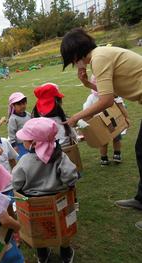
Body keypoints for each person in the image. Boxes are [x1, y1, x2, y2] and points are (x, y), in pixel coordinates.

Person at [60, 28, 142, 218]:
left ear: (76, 53)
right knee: (141, 149)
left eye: (71, 59)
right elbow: (112, 93)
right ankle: (141, 199)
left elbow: (106, 101)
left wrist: (76, 117)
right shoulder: (101, 55)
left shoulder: (99, 58)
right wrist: (88, 85)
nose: (73, 64)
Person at [12, 117, 78, 263]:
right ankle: (65, 253)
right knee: (64, 226)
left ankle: (42, 254)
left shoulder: (24, 161)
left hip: (34, 205)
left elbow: (16, 183)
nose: (23, 141)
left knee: (39, 229)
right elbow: (70, 176)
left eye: (25, 139)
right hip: (59, 201)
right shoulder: (60, 156)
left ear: (33, 143)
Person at [82, 75, 129, 165]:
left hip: (113, 121)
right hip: (100, 123)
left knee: (116, 138)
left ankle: (116, 154)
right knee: (104, 141)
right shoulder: (92, 97)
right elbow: (86, 111)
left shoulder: (113, 95)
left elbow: (121, 106)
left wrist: (126, 117)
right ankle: (104, 157)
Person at [32, 83, 77, 147]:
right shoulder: (63, 120)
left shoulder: (37, 123)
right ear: (58, 103)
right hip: (68, 150)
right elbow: (74, 137)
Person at [7, 92, 31, 158]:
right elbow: (11, 133)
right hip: (20, 145)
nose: (22, 106)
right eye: (19, 104)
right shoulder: (13, 119)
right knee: (24, 160)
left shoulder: (28, 114)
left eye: (24, 103)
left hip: (30, 142)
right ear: (13, 106)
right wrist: (14, 145)